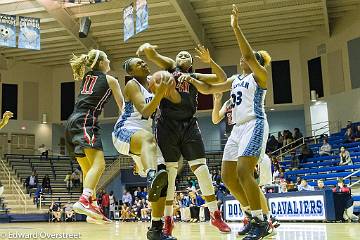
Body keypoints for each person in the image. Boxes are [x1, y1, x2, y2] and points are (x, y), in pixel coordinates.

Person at [182, 5, 274, 239]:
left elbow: (249, 54)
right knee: (228, 178)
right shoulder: (235, 79)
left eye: (252, 58)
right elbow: (210, 87)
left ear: (257, 62)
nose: (244, 59)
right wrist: (190, 78)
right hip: (236, 130)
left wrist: (235, 27)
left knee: (245, 173)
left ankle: (263, 222)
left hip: (254, 124)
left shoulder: (259, 76)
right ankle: (252, 216)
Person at [137, 41, 230, 237]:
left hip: (189, 125)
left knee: (202, 170)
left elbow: (221, 78)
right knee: (169, 175)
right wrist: (148, 50)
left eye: (187, 55)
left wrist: (210, 60)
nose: (183, 57)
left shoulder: (194, 76)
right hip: (167, 125)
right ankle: (168, 219)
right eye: (180, 55)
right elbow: (154, 57)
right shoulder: (170, 68)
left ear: (191, 63)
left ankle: (215, 214)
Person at [65, 49, 124, 224]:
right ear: (101, 63)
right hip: (86, 120)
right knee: (100, 165)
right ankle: (84, 200)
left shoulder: (87, 77)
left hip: (72, 122)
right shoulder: (110, 79)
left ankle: (93, 205)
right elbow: (122, 106)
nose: (109, 62)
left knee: (88, 169)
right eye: (107, 59)